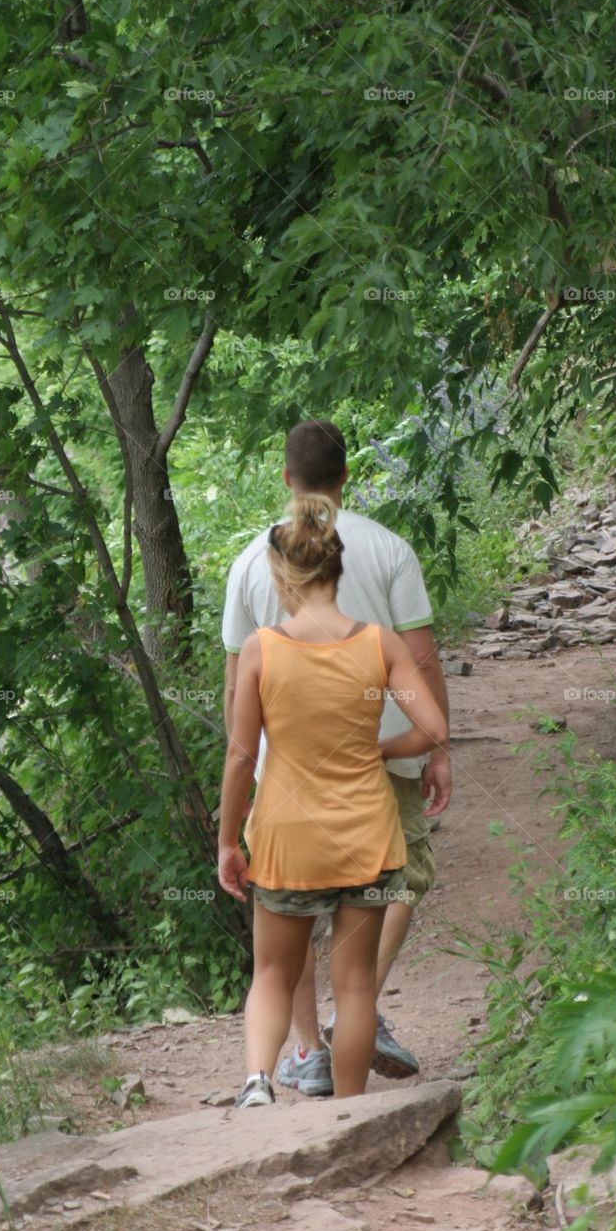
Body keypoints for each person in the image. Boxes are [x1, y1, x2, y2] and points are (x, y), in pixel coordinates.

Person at [222, 419, 452, 1096]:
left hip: (284, 794)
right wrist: (408, 750)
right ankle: (352, 1094)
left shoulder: (252, 575)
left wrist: (232, 820)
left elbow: (236, 711)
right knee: (359, 974)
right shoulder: (386, 564)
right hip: (370, 794)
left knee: (276, 954)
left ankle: (290, 1058)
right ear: (346, 474)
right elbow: (425, 676)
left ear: (286, 477)